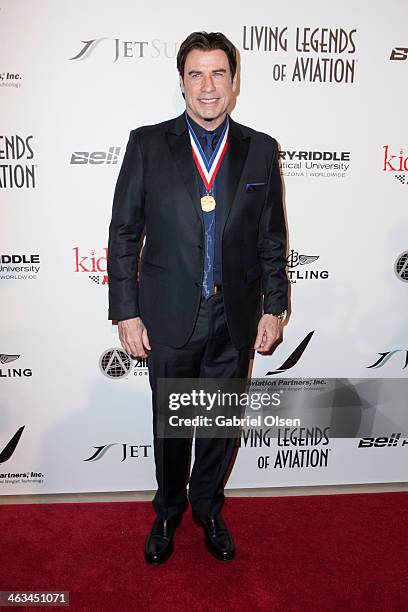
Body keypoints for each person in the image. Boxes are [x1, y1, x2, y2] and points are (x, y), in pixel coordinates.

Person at [107, 31, 289, 564]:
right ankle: (167, 511)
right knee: (172, 424)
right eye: (196, 74)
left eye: (218, 74)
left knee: (218, 423)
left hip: (234, 317)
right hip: (167, 316)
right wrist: (127, 310)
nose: (208, 87)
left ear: (234, 82)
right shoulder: (148, 143)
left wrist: (274, 307)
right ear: (182, 82)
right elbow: (124, 232)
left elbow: (272, 239)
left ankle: (207, 505)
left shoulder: (260, 149)